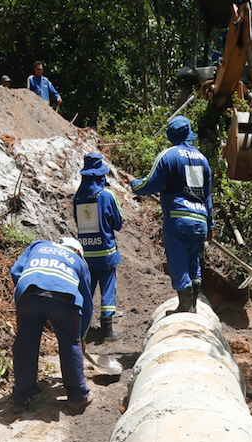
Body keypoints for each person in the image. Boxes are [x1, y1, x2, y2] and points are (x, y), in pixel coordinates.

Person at [130, 115, 212, 314]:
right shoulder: (203, 159)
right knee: (193, 261)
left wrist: (134, 184)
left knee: (177, 262)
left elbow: (150, 184)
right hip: (200, 220)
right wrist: (210, 225)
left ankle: (184, 306)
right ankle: (193, 304)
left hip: (178, 218)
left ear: (170, 136)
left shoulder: (168, 156)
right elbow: (208, 196)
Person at [10, 237, 93, 413]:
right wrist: (81, 336)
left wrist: (31, 294)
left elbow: (15, 271)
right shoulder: (78, 261)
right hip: (64, 297)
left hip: (28, 292)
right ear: (77, 252)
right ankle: (78, 396)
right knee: (70, 343)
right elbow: (86, 302)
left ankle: (22, 398)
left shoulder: (38, 245)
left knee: (25, 344)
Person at [73, 153, 124, 343]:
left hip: (86, 254)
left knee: (86, 290)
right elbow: (118, 223)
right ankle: (107, 330)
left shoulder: (78, 197)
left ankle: (81, 330)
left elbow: (77, 221)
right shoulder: (107, 195)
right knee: (108, 289)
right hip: (106, 253)